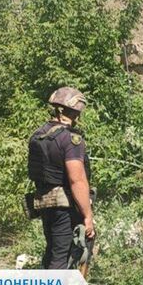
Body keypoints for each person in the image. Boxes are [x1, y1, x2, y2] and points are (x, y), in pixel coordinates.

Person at [27, 87, 95, 269]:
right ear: (75, 112)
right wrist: (88, 216)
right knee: (62, 256)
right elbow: (77, 180)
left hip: (44, 202)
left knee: (52, 251)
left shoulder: (39, 135)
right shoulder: (70, 139)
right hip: (64, 206)